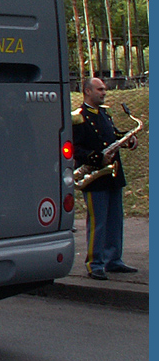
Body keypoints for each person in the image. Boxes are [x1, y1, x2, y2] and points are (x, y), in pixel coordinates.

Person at [73, 77, 139, 280]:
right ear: (87, 91)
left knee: (115, 220)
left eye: (104, 90)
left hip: (112, 174)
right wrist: (96, 157)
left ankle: (113, 259)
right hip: (95, 175)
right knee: (98, 221)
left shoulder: (105, 112)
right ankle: (95, 263)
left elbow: (111, 135)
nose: (104, 93)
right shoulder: (78, 117)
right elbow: (74, 148)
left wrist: (126, 140)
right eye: (100, 89)